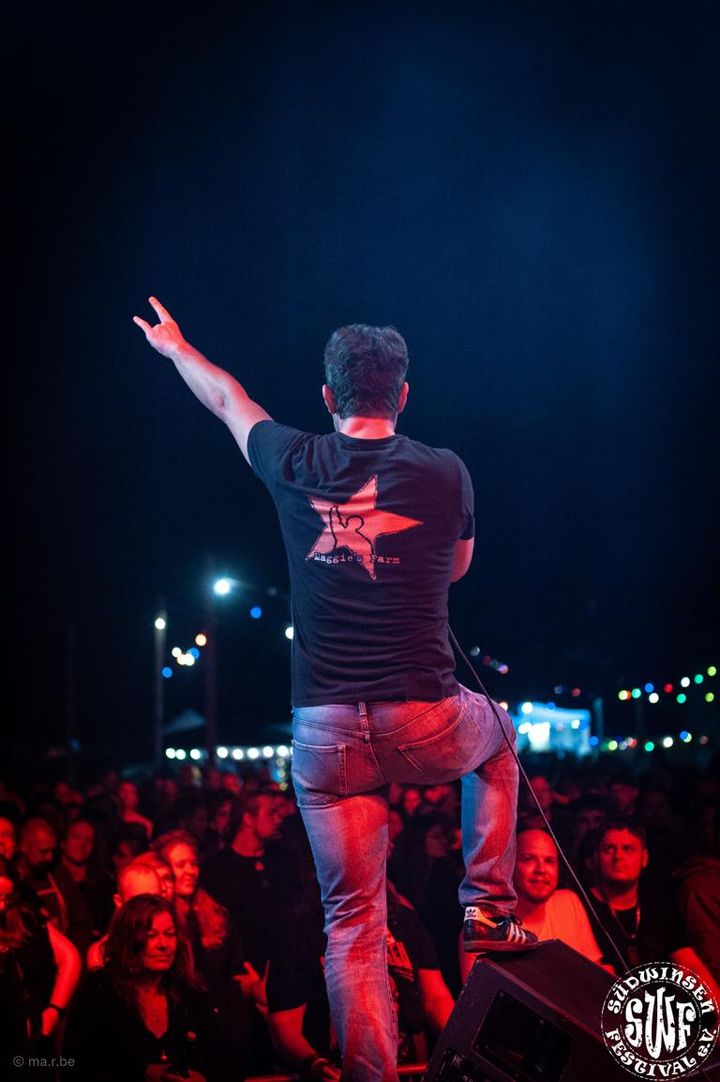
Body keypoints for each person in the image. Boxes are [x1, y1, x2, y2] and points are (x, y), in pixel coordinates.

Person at [135, 297, 537, 1081]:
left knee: (352, 925)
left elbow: (226, 397)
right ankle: (488, 906)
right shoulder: (445, 470)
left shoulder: (294, 458)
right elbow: (456, 569)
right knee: (500, 734)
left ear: (327, 395)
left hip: (324, 736)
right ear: (404, 394)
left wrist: (176, 347)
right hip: (422, 716)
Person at [64, 895, 214, 1082]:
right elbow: (76, 1064)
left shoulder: (190, 993)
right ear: (128, 940)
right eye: (151, 936)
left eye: (170, 934)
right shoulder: (99, 992)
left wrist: (203, 1077)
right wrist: (142, 1072)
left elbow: (217, 1058)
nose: (163, 945)